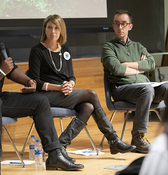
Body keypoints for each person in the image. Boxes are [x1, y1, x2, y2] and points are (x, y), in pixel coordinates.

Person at [0, 11, 84, 175]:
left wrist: (29, 82)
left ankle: (54, 154)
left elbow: (11, 70)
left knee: (39, 100)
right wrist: (0, 72)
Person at [28, 14, 135, 163]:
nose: (53, 31)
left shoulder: (64, 49)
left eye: (56, 28)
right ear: (44, 29)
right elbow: (35, 81)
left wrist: (69, 85)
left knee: (88, 107)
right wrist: (59, 88)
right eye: (49, 27)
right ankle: (113, 139)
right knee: (91, 94)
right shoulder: (37, 50)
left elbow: (71, 76)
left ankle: (61, 146)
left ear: (61, 31)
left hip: (63, 93)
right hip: (44, 96)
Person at [101, 9, 168, 153]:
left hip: (144, 87)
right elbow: (117, 69)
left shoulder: (138, 46)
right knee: (147, 90)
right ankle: (138, 138)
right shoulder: (108, 47)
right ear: (113, 26)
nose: (120, 27)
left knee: (167, 88)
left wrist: (127, 64)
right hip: (122, 89)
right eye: (117, 24)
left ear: (130, 26)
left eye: (123, 24)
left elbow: (151, 64)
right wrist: (139, 67)